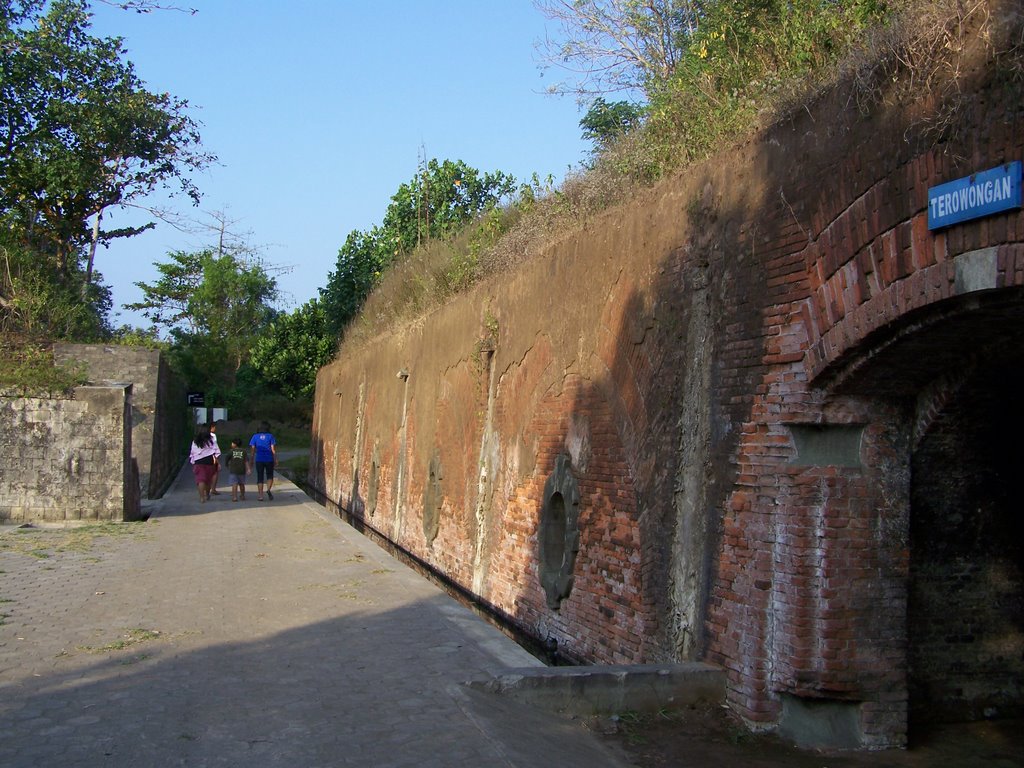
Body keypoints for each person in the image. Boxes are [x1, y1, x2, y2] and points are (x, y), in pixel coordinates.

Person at [189, 425, 221, 502]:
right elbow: (216, 452)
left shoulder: (195, 441)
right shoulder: (211, 440)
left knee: (200, 480)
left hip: (198, 462)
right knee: (208, 480)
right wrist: (217, 462)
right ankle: (207, 494)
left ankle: (201, 497)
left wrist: (193, 462)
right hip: (209, 461)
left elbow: (193, 452)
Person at [249, 421, 277, 501]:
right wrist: (275, 459)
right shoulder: (270, 436)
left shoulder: (255, 436)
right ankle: (268, 489)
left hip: (259, 459)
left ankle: (260, 496)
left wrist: (251, 460)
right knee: (269, 475)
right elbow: (273, 450)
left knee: (260, 477)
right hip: (269, 459)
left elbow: (253, 450)